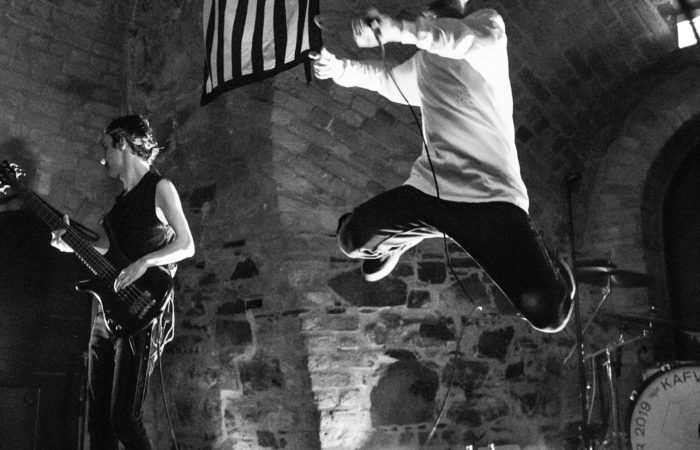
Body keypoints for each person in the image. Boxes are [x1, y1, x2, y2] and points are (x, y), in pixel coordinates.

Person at [311, 0, 574, 333]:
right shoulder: (424, 61)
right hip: (429, 194)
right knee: (351, 239)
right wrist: (338, 68)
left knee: (550, 314)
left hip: (490, 200)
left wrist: (399, 30)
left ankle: (551, 266)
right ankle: (394, 245)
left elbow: (458, 40)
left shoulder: (487, 29)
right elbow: (387, 80)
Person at [51, 114, 194, 449]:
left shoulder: (160, 188)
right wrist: (70, 244)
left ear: (124, 144)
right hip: (109, 313)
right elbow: (104, 251)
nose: (103, 157)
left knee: (124, 420)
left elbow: (186, 245)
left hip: (142, 313)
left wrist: (144, 263)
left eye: (106, 148)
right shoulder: (118, 208)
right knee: (98, 420)